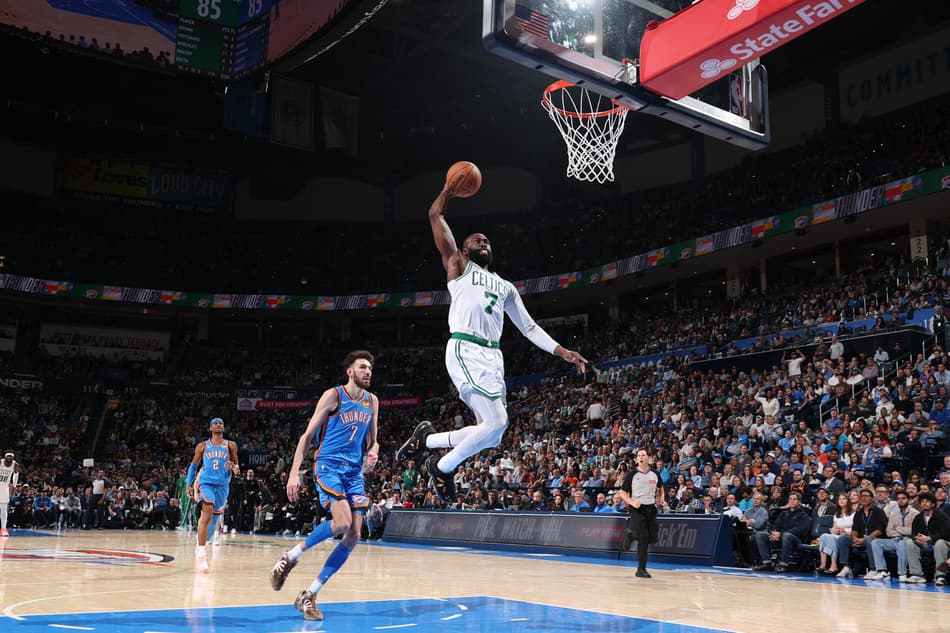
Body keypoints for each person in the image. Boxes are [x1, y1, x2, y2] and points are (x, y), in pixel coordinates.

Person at [395, 187, 588, 503]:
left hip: (492, 356)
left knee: (494, 433)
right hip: (465, 347)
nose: (483, 243)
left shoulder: (506, 286)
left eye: (487, 241)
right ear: (467, 250)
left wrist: (562, 351)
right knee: (497, 422)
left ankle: (427, 440)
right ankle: (441, 467)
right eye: (476, 241)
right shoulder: (458, 265)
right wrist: (448, 190)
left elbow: (528, 326)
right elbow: (434, 215)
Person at [269, 351, 380, 621]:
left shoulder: (373, 401)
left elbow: (372, 439)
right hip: (328, 465)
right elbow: (307, 437)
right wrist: (294, 472)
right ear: (350, 371)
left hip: (354, 472)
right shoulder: (334, 395)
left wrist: (374, 451)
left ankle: (310, 593)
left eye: (370, 368)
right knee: (341, 523)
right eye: (363, 367)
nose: (368, 372)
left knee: (353, 535)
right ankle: (291, 555)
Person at [185, 417, 240, 572]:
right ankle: (201, 554)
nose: (219, 425)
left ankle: (203, 544)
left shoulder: (230, 445)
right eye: (215, 423)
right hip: (206, 483)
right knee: (207, 513)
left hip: (223, 485)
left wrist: (234, 469)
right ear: (210, 428)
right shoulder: (202, 446)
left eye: (221, 423)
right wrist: (189, 484)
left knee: (215, 517)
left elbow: (237, 469)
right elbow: (193, 467)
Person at [617, 448, 663, 578]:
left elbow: (661, 488)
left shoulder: (655, 473)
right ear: (637, 459)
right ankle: (641, 569)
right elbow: (622, 492)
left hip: (651, 508)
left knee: (652, 538)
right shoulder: (632, 474)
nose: (641, 457)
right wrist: (631, 502)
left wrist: (662, 498)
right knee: (643, 537)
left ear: (648, 458)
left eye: (643, 455)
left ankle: (631, 535)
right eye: (639, 455)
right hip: (637, 508)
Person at [866, 490, 918, 581]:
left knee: (902, 543)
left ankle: (902, 573)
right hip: (894, 540)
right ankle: (882, 571)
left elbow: (913, 531)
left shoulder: (915, 513)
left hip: (908, 541)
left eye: (903, 498)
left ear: (909, 500)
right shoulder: (894, 514)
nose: (900, 500)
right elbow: (889, 531)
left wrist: (898, 528)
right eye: (898, 499)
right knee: (875, 542)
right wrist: (903, 530)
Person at [753, 490, 811, 572]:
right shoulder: (784, 513)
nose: (792, 501)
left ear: (799, 501)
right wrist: (774, 533)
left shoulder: (804, 515)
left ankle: (784, 564)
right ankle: (767, 563)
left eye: (794, 499)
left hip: (796, 541)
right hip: (780, 538)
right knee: (760, 535)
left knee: (787, 535)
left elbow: (799, 530)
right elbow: (775, 526)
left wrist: (781, 534)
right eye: (790, 499)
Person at [904, 492, 950, 584]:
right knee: (909, 542)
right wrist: (916, 538)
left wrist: (930, 538)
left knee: (939, 543)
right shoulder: (918, 517)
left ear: (933, 504)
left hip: (943, 543)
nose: (924, 503)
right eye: (922, 501)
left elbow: (947, 533)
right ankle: (917, 574)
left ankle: (940, 576)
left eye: (927, 501)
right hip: (925, 543)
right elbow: (914, 533)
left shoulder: (942, 516)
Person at [817, 493, 854, 575]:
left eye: (844, 499)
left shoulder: (854, 513)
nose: (841, 500)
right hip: (838, 535)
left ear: (848, 501)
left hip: (848, 536)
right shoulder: (837, 514)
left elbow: (856, 529)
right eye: (839, 499)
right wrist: (834, 530)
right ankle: (823, 564)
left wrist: (845, 531)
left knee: (831, 538)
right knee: (823, 536)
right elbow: (834, 528)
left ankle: (834, 565)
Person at [0, 451, 20, 536]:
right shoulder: (0, 462)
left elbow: (16, 475)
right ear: (5, 456)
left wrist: (14, 486)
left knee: (4, 509)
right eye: (8, 456)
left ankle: (3, 529)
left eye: (11, 456)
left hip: (4, 487)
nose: (9, 458)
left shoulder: (15, 465)